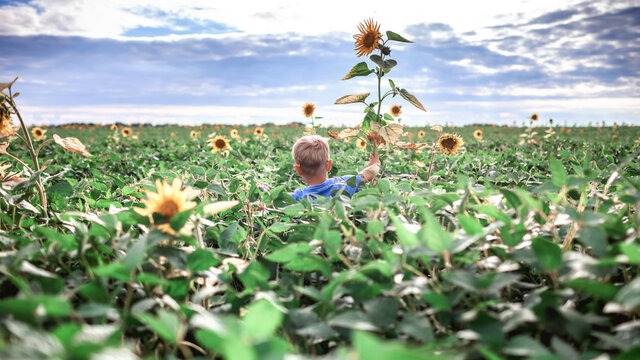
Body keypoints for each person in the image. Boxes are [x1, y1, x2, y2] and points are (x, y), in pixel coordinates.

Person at [290, 135, 380, 201]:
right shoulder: (343, 185)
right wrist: (376, 163)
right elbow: (368, 174)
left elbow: (278, 198)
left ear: (298, 170)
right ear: (329, 165)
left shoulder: (298, 197)